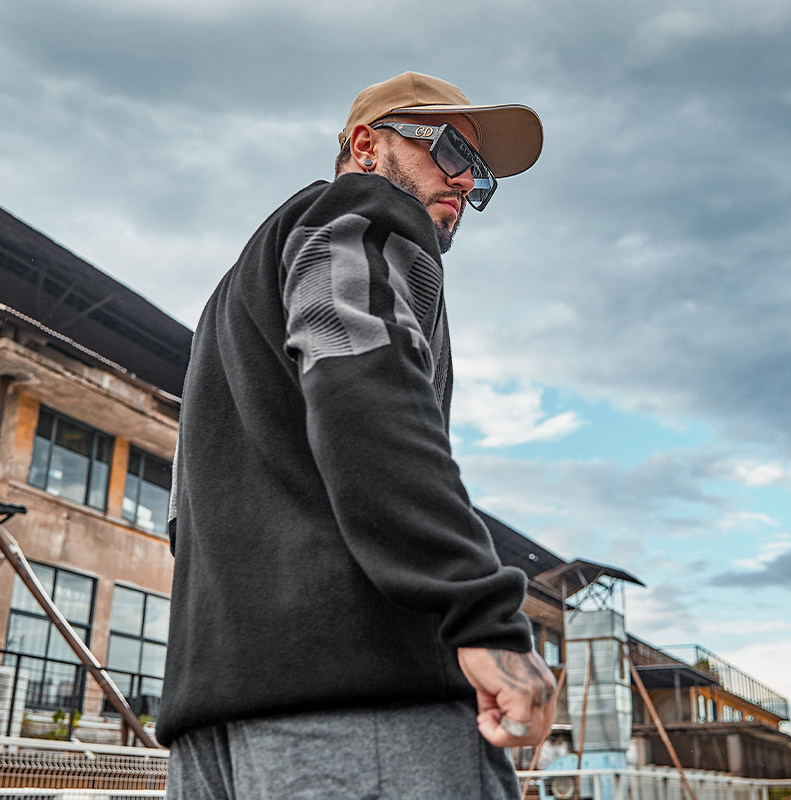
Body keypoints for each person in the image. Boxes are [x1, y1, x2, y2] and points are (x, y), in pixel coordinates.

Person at [157, 71, 557, 800]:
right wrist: (481, 614)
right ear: (368, 146)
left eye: (483, 175)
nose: (467, 181)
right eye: (452, 150)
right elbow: (364, 387)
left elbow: (182, 519)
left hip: (213, 727)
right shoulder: (361, 213)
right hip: (361, 710)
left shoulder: (231, 305)